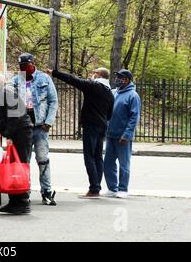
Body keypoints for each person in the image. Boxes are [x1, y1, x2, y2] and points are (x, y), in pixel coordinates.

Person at [46, 67, 114, 198]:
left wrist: (54, 73)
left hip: (91, 125)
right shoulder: (109, 92)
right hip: (102, 126)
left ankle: (94, 189)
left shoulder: (93, 86)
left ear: (98, 75)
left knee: (89, 156)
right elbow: (110, 113)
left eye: (94, 72)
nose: (92, 74)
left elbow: (73, 80)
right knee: (98, 157)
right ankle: (97, 188)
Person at [13, 53, 58, 206]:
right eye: (20, 66)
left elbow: (53, 101)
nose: (22, 69)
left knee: (43, 159)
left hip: (40, 125)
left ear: (32, 64)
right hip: (22, 127)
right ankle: (24, 191)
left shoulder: (44, 78)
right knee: (24, 161)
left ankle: (46, 192)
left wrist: (49, 122)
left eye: (25, 66)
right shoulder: (16, 80)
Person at [0, 74, 34, 214]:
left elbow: (15, 117)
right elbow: (4, 120)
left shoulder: (7, 92)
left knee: (19, 166)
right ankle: (15, 201)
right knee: (14, 167)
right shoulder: (6, 92)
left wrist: (9, 134)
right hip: (20, 133)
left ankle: (22, 202)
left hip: (20, 134)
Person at [104, 69, 141, 199]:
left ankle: (123, 189)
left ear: (127, 80)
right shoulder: (114, 93)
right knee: (108, 163)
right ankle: (112, 188)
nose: (117, 79)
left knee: (124, 164)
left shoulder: (133, 95)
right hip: (110, 134)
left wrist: (127, 134)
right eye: (117, 76)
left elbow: (134, 117)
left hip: (123, 136)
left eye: (120, 77)